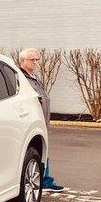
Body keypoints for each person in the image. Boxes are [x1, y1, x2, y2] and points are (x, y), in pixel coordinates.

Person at [19, 48, 68, 192]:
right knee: (35, 151)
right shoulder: (22, 79)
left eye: (36, 60)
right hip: (32, 121)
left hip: (41, 121)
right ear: (23, 61)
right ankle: (42, 180)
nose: (35, 62)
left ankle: (45, 180)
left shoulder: (33, 76)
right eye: (32, 60)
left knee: (43, 150)